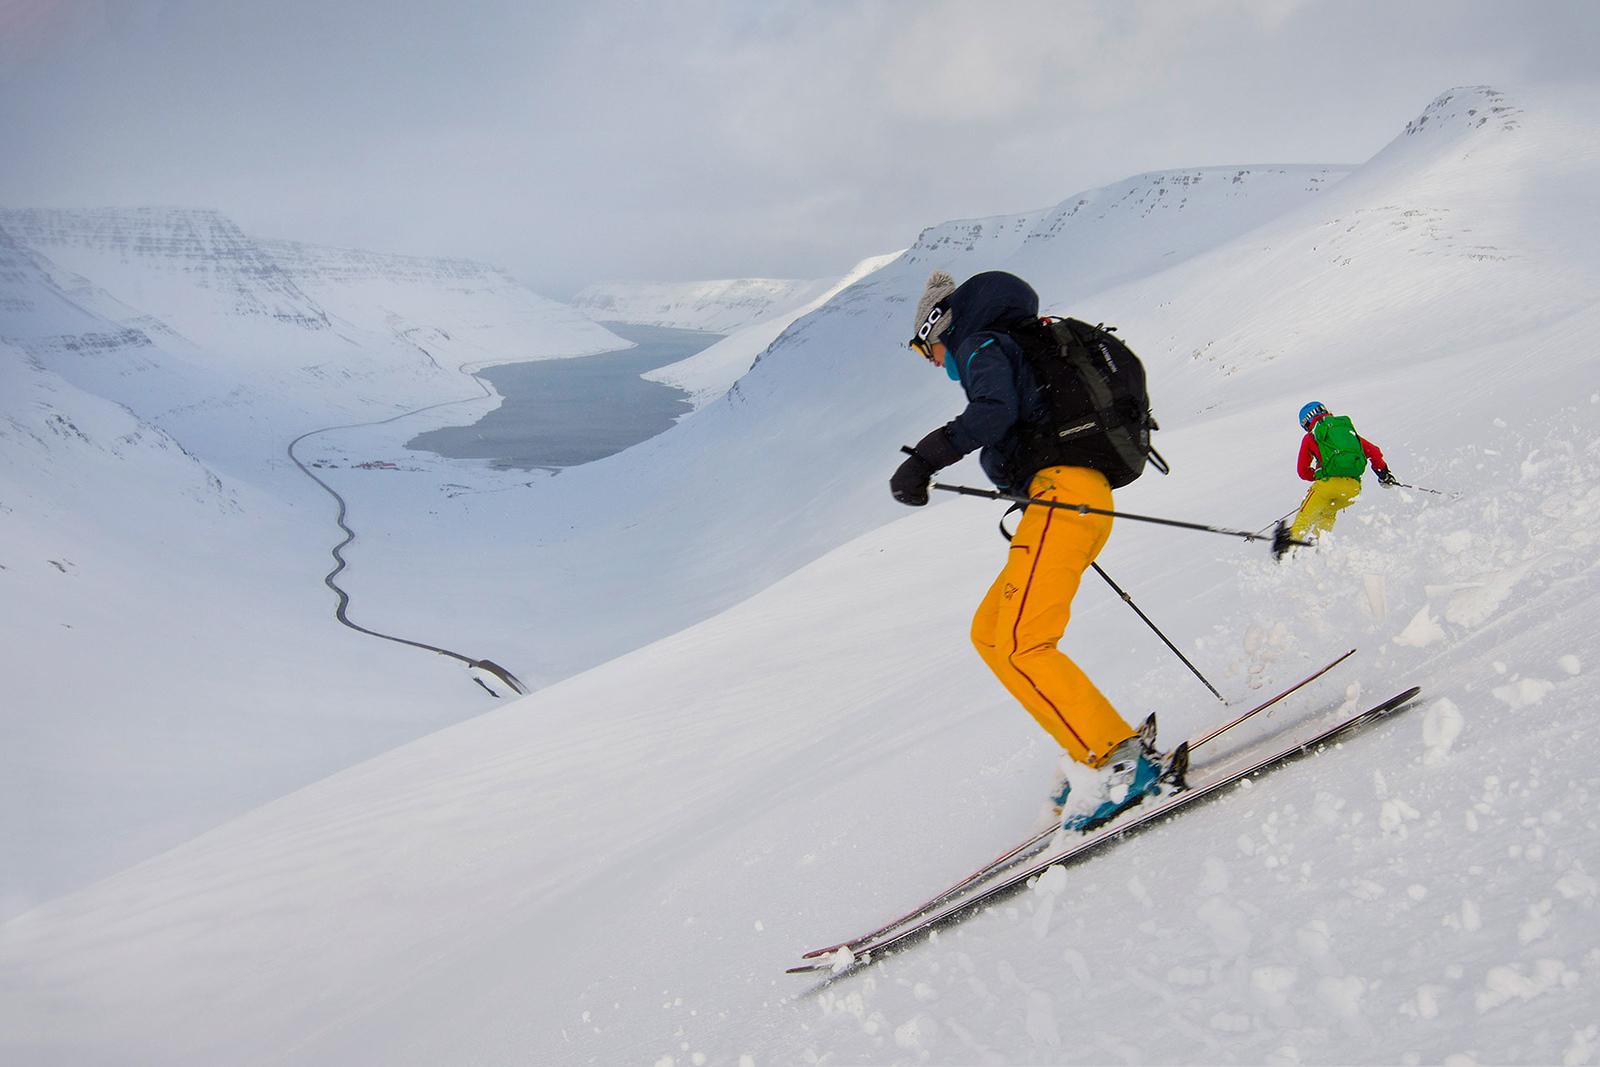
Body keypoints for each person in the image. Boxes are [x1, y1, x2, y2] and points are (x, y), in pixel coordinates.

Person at [889, 269, 1173, 830]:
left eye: (925, 350)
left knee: (1023, 642)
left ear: (938, 328)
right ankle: (1090, 747)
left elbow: (992, 412)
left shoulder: (980, 343)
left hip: (1064, 498)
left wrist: (922, 460)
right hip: (1069, 498)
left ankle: (1119, 760)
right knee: (992, 633)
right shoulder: (1019, 341)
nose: (933, 363)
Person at [1289, 401, 1396, 543]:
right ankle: (1320, 545)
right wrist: (1384, 475)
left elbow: (1302, 471)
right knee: (1328, 512)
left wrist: (1320, 474)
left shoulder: (1311, 437)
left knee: (1305, 515)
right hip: (1352, 490)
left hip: (1327, 486)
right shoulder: (1347, 433)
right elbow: (1374, 452)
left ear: (1306, 423)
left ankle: (1288, 544)